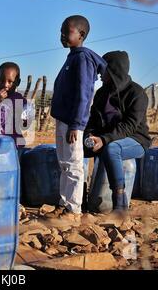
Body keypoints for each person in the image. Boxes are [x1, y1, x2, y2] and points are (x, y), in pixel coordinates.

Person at [50, 15, 107, 223]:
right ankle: (63, 204)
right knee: (64, 163)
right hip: (64, 119)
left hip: (72, 122)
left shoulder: (82, 58)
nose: (62, 35)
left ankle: (73, 209)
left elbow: (84, 93)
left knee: (74, 164)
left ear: (81, 35)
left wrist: (76, 124)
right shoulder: (73, 56)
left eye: (67, 32)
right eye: (61, 32)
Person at [84, 50, 151, 213]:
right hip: (106, 139)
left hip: (135, 140)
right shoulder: (101, 94)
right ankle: (77, 199)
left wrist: (105, 139)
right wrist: (89, 136)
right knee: (76, 149)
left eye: (103, 68)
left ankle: (120, 204)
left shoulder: (136, 93)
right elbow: (92, 120)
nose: (99, 72)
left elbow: (130, 126)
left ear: (114, 70)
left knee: (111, 149)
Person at [0, 62, 33, 147]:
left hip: (13, 143)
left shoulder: (20, 100)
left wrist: (26, 121)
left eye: (10, 82)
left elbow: (25, 123)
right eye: (2, 80)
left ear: (17, 82)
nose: (5, 85)